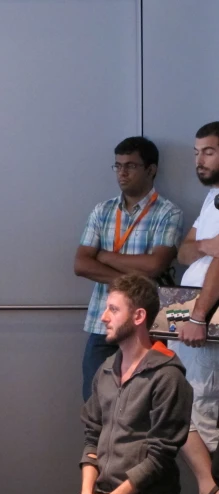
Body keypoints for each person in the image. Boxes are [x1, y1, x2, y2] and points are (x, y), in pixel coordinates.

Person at [40, 274, 192, 494]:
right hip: (101, 492)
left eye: (113, 309)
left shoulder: (168, 377)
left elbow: (159, 458)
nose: (103, 317)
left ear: (138, 316)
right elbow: (92, 437)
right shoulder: (107, 369)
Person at [75, 137, 183, 401]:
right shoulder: (103, 211)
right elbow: (81, 264)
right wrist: (136, 277)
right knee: (96, 405)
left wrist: (103, 255)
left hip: (148, 326)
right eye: (118, 166)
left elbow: (155, 265)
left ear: (151, 169)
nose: (122, 173)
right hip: (105, 326)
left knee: (146, 405)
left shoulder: (169, 213)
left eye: (131, 166)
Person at [170, 121, 219, 494]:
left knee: (198, 409)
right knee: (191, 408)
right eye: (196, 152)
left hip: (206, 323)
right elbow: (185, 249)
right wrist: (206, 244)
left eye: (208, 152)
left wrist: (199, 315)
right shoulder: (211, 198)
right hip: (192, 321)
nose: (199, 160)